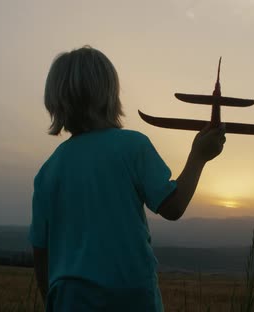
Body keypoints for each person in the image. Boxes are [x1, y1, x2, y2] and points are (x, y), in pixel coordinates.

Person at [29, 46, 226, 311]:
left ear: (54, 101)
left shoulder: (47, 171)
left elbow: (41, 253)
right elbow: (173, 206)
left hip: (69, 299)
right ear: (110, 95)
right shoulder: (133, 146)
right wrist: (199, 156)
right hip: (129, 296)